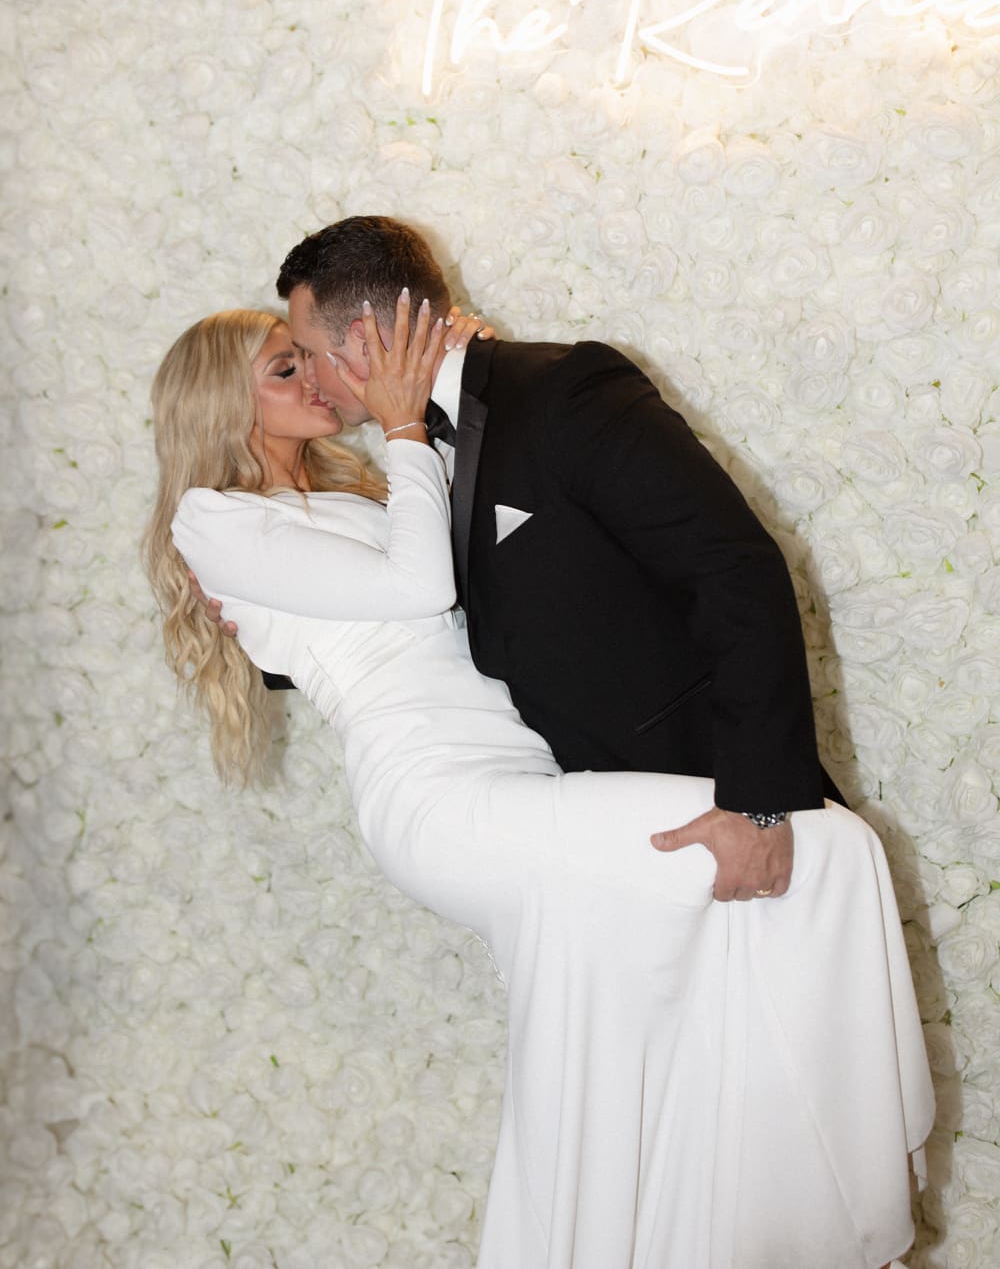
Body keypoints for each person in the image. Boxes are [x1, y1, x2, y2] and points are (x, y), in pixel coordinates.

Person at [146, 296, 934, 1269]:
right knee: (825, 850)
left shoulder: (357, 498)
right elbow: (413, 591)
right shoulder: (212, 517)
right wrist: (401, 426)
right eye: (283, 368)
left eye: (305, 358)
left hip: (525, 777)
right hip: (444, 800)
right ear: (220, 405)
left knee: (648, 1012)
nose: (314, 381)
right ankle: (837, 1213)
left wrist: (452, 387)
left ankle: (719, 1237)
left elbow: (454, 556)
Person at [262, 215, 840, 905]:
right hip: (598, 845)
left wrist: (758, 806)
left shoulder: (566, 391)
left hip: (716, 810)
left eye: (309, 352)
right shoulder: (410, 456)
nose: (314, 380)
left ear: (362, 339)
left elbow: (734, 571)